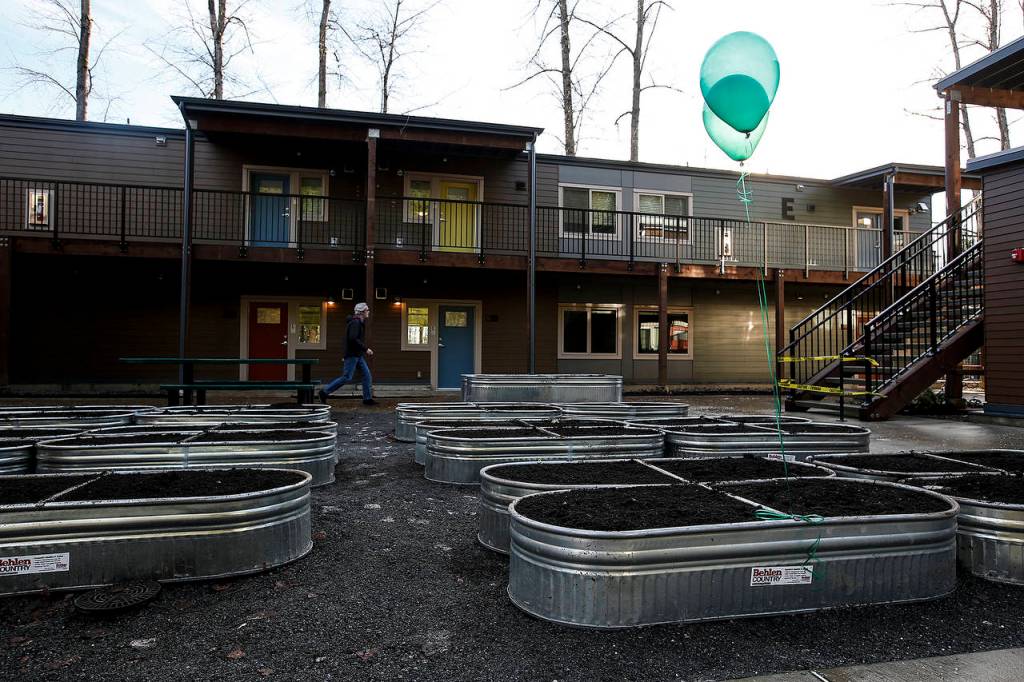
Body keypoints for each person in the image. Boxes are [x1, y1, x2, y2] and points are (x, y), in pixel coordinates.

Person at [320, 302, 377, 406]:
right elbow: (352, 339)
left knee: (367, 375)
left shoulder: (358, 322)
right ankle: (324, 392)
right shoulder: (355, 323)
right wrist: (366, 349)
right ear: (362, 312)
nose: (368, 312)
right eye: (367, 310)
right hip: (352, 354)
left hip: (357, 355)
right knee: (347, 377)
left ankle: (367, 399)